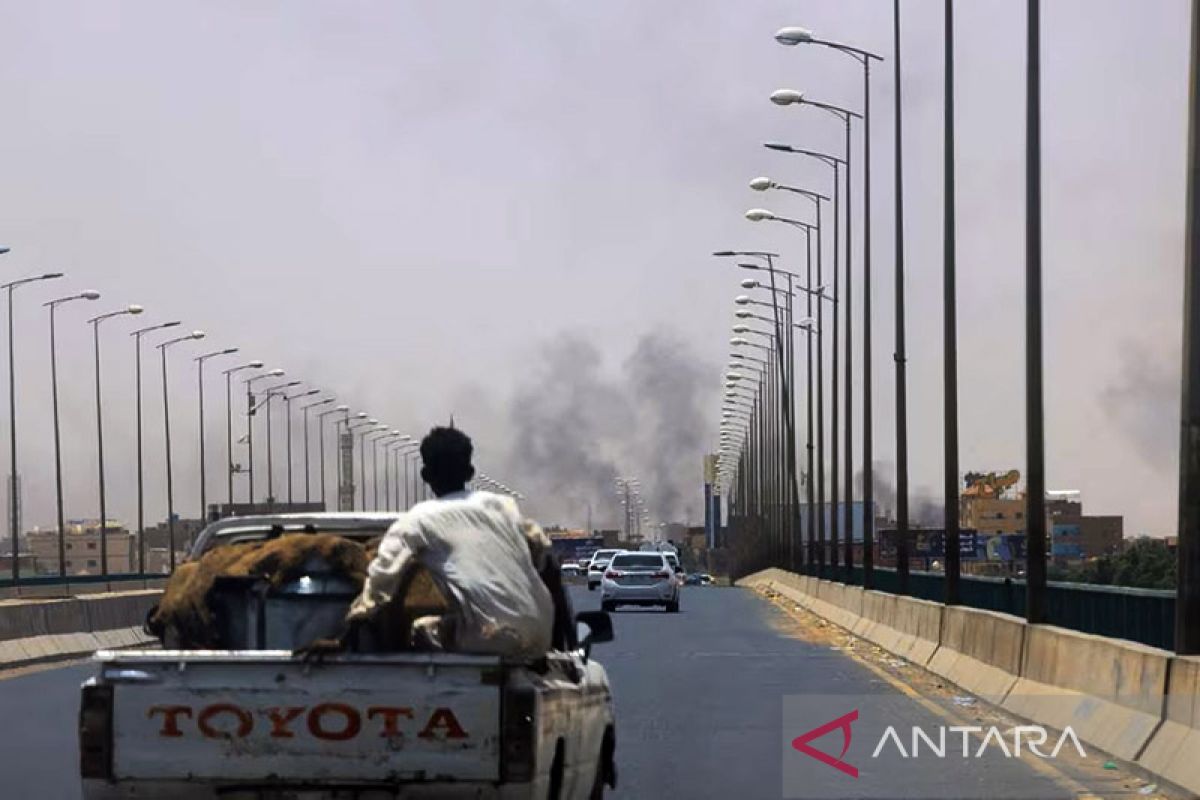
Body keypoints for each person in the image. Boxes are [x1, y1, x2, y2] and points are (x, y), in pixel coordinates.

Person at [344, 426, 562, 659]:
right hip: (541, 635)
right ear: (470, 472)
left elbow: (382, 577)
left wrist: (354, 618)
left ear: (425, 476)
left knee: (421, 629)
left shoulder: (417, 519)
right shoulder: (502, 506)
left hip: (490, 637)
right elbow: (542, 546)